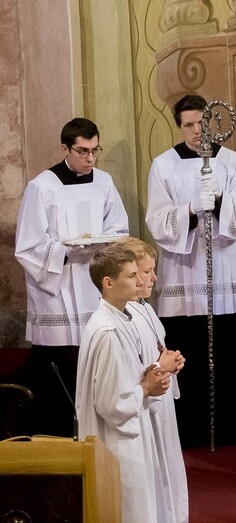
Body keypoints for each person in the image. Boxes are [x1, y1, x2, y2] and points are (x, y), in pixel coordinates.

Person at [146, 94, 236, 447]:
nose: (197, 131)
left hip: (225, 267)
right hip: (183, 271)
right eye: (189, 125)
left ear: (213, 123)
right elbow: (156, 220)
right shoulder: (163, 165)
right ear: (179, 126)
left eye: (202, 123)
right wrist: (189, 210)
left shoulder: (231, 162)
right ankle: (191, 430)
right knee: (189, 350)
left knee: (232, 350)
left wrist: (219, 201)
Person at [76, 244, 177, 523]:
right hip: (116, 446)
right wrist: (146, 388)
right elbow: (110, 403)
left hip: (131, 437)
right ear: (108, 282)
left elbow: (126, 381)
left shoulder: (121, 319)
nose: (141, 282)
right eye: (132, 276)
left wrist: (151, 376)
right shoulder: (107, 331)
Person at [15, 117, 128, 436]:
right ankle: (58, 434)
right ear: (65, 149)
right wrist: (65, 250)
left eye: (95, 150)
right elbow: (28, 245)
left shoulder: (104, 182)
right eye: (83, 151)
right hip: (58, 288)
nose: (90, 158)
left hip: (93, 283)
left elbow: (119, 227)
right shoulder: (42, 187)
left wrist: (99, 244)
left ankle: (97, 433)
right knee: (62, 362)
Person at [120, 237, 192, 523]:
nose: (152, 278)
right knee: (152, 501)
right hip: (141, 417)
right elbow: (129, 369)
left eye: (151, 270)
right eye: (145, 272)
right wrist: (158, 367)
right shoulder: (120, 319)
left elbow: (154, 354)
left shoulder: (145, 309)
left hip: (160, 413)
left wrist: (168, 362)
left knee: (165, 495)